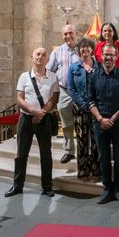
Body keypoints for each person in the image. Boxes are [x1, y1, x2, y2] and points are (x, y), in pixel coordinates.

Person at [5, 47, 59, 198]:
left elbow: (54, 98)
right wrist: (33, 111)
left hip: (44, 119)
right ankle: (17, 186)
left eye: (43, 55)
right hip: (26, 119)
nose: (40, 57)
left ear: (47, 59)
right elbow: (20, 98)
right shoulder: (24, 76)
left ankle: (47, 186)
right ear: (32, 57)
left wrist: (41, 113)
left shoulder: (53, 77)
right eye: (37, 54)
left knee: (46, 154)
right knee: (21, 154)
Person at [88, 44, 119, 205]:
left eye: (111, 55)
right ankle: (107, 189)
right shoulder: (94, 76)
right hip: (100, 124)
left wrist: (112, 119)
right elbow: (90, 100)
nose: (108, 58)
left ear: (116, 57)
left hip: (118, 124)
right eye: (105, 55)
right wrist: (100, 119)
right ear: (101, 56)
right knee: (103, 158)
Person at [67, 37, 100, 179]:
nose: (84, 49)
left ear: (92, 49)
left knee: (95, 138)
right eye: (82, 47)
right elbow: (71, 89)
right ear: (78, 50)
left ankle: (95, 167)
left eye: (87, 47)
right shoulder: (73, 67)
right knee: (81, 138)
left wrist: (93, 105)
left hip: (96, 108)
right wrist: (83, 104)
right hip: (79, 108)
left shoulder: (98, 66)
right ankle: (82, 168)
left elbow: (101, 84)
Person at [47, 24, 80, 164]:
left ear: (76, 34)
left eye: (70, 33)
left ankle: (85, 151)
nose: (68, 36)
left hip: (80, 92)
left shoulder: (82, 49)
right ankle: (69, 151)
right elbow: (49, 71)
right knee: (66, 124)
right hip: (64, 90)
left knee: (83, 123)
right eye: (65, 34)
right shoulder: (57, 52)